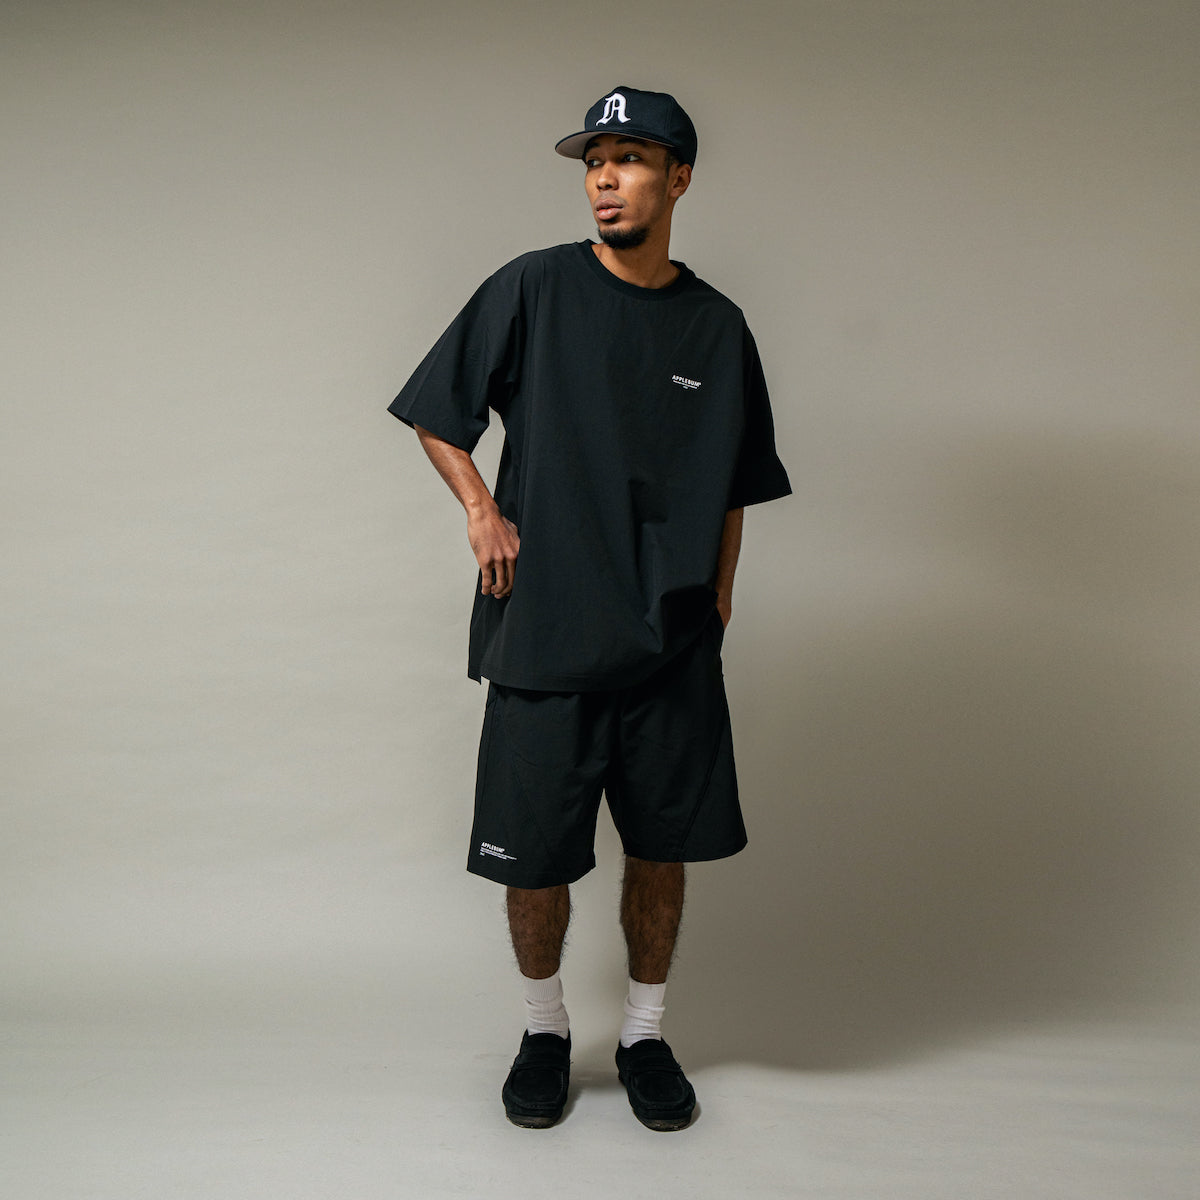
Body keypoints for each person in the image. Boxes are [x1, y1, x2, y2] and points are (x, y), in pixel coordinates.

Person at [388, 86, 790, 1131]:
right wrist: (481, 510)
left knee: (661, 849)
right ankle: (544, 1030)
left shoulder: (718, 328)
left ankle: (646, 1035)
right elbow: (437, 413)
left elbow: (736, 482)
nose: (605, 180)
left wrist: (721, 593)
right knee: (535, 856)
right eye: (594, 163)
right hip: (546, 634)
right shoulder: (534, 287)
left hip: (671, 647)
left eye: (630, 160)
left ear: (680, 178)